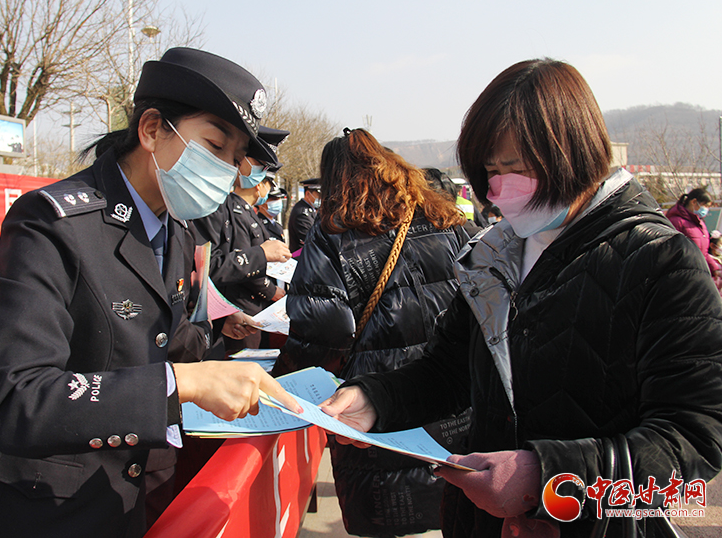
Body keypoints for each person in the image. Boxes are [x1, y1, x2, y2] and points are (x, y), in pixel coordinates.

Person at [321, 59, 722, 538]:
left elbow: (697, 436)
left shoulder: (658, 261)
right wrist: (376, 397)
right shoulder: (493, 256)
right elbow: (449, 371)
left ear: (571, 153)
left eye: (515, 169)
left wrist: (547, 478)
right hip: (481, 520)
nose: (499, 189)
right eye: (491, 171)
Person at [0, 48, 300, 538]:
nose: (227, 171)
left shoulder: (178, 231)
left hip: (124, 499)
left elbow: (160, 339)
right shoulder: (52, 224)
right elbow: (18, 399)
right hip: (39, 510)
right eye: (214, 146)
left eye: (235, 159)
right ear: (151, 129)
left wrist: (220, 332)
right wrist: (181, 384)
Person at [274, 128, 469, 536]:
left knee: (389, 516)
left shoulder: (334, 233)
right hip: (450, 398)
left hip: (373, 403)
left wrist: (282, 380)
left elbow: (319, 334)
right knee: (455, 506)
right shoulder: (444, 219)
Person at [193, 125, 292, 353]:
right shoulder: (216, 205)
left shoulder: (233, 207)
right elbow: (209, 268)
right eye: (260, 166)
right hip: (234, 306)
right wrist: (263, 258)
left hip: (232, 314)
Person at [666, 187, 720, 276]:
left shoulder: (700, 223)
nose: (706, 210)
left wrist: (715, 269)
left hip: (698, 273)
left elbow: (703, 253)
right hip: (683, 275)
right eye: (705, 206)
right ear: (694, 202)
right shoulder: (676, 222)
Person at [287, 177, 320, 253]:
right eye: (319, 195)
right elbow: (312, 240)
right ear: (308, 194)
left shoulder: (311, 210)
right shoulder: (301, 213)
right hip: (303, 256)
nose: (321, 198)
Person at [257, 175, 287, 243]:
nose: (278, 201)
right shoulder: (258, 225)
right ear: (261, 202)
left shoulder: (277, 225)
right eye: (273, 199)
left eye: (279, 198)